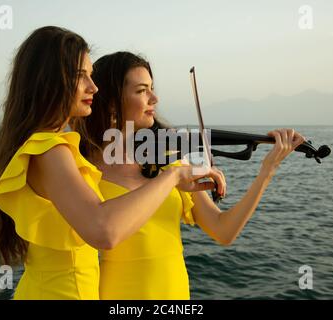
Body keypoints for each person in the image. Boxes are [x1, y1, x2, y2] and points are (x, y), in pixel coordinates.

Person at [0, 27, 223, 300]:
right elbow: (104, 230)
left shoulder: (42, 147)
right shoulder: (51, 150)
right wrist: (172, 177)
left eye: (91, 75)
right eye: (80, 75)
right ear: (49, 79)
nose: (93, 87)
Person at [74, 51, 306, 299]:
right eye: (141, 91)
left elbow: (223, 231)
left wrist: (266, 172)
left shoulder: (168, 162)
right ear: (111, 100)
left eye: (151, 88)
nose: (154, 97)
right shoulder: (82, 168)